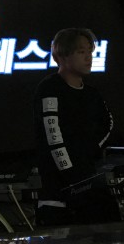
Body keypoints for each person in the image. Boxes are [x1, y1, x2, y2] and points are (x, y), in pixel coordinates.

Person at [33, 28, 115, 225]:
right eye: (81, 52)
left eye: (90, 52)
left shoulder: (92, 93)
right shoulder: (49, 88)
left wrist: (91, 149)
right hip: (57, 188)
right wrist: (70, 172)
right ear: (62, 56)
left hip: (88, 179)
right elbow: (52, 135)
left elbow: (108, 124)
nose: (88, 57)